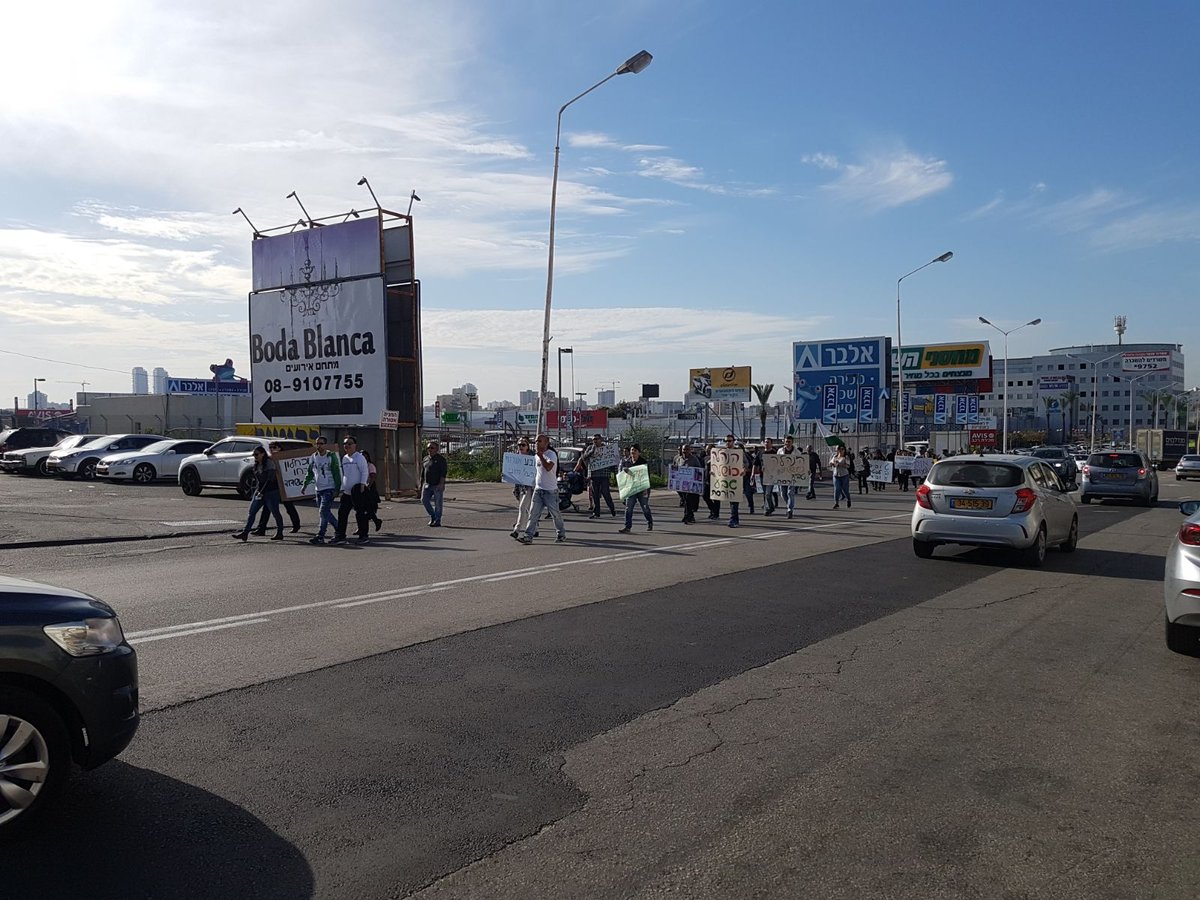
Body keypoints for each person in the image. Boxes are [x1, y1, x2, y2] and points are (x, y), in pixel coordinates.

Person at [518, 434, 566, 544]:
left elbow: (549, 468)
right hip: (538, 490)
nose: (536, 444)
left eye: (539, 441)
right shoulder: (536, 456)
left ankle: (561, 533)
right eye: (535, 441)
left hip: (550, 491)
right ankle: (528, 536)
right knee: (533, 514)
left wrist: (541, 456)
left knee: (555, 514)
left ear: (546, 443)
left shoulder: (551, 454)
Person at [232, 446, 284, 541]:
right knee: (251, 512)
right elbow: (258, 480)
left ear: (263, 454)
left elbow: (270, 479)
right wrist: (258, 491)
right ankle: (245, 532)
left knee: (275, 512)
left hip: (271, 492)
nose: (255, 456)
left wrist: (262, 491)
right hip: (259, 491)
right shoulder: (256, 465)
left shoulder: (269, 463)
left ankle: (280, 532)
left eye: (257, 454)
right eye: (254, 455)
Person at [253, 441, 301, 535]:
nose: (271, 449)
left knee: (289, 507)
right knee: (267, 508)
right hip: (274, 488)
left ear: (279, 448)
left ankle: (296, 525)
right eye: (270, 447)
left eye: (274, 447)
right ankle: (261, 528)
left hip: (285, 487)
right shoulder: (269, 459)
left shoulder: (285, 458)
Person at [301, 435, 341, 545]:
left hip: (329, 487)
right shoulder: (313, 457)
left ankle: (335, 530)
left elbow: (336, 473)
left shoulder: (330, 456)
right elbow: (310, 472)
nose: (319, 446)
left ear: (326, 444)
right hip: (318, 488)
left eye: (321, 443)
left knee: (323, 511)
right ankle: (322, 535)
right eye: (317, 443)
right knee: (323, 513)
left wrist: (337, 488)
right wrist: (305, 485)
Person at [333, 435, 370, 545]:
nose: (347, 446)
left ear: (355, 445)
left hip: (357, 491)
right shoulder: (344, 458)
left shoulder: (359, 457)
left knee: (360, 514)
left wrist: (363, 485)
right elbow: (345, 474)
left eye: (349, 443)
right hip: (347, 492)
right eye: (345, 444)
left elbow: (364, 471)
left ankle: (363, 535)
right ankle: (340, 536)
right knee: (342, 513)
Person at [576, 434, 617, 519]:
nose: (595, 441)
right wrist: (592, 451)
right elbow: (583, 457)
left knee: (606, 493)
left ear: (601, 440)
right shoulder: (590, 448)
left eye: (597, 439)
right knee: (595, 495)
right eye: (594, 439)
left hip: (604, 474)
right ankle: (596, 512)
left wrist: (614, 472)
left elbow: (612, 460)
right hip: (594, 475)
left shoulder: (606, 449)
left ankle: (612, 509)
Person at [617, 444, 653, 534]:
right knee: (628, 507)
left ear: (639, 452)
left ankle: (650, 521)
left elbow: (646, 476)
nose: (633, 452)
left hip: (642, 488)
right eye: (632, 450)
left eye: (635, 451)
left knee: (644, 507)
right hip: (631, 488)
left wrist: (645, 489)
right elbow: (623, 475)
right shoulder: (627, 461)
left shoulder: (643, 462)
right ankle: (627, 527)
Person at [510, 438, 538, 539]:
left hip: (530, 486)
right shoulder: (517, 457)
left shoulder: (533, 457)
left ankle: (517, 530)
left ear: (527, 446)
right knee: (528, 508)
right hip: (520, 487)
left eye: (523, 445)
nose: (521, 447)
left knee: (522, 507)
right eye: (519, 445)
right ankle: (535, 529)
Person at [420, 440, 447, 527]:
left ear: (437, 449)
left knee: (438, 503)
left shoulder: (441, 460)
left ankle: (437, 520)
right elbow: (423, 472)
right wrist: (421, 484)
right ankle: (433, 516)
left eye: (432, 448)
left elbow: (443, 473)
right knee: (424, 500)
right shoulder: (425, 459)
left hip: (437, 485)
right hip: (427, 484)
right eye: (428, 448)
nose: (429, 449)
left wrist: (441, 484)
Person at [718, 434, 742, 527]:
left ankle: (733, 520)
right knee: (729, 499)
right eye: (726, 441)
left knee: (734, 501)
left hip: (735, 480)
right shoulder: (721, 452)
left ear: (733, 441)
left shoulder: (738, 452)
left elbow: (746, 463)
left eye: (729, 441)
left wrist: (743, 470)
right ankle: (734, 519)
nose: (727, 443)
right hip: (724, 480)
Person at [678, 443, 703, 524]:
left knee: (688, 500)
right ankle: (690, 516)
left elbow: (699, 470)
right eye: (684, 450)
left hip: (691, 484)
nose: (685, 451)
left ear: (690, 450)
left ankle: (687, 516)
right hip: (682, 484)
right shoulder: (679, 459)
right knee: (685, 500)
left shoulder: (694, 459)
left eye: (687, 449)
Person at [777, 435, 799, 519]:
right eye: (786, 441)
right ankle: (788, 505)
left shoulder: (796, 452)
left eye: (789, 442)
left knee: (790, 492)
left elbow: (801, 463)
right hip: (782, 475)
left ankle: (790, 510)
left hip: (792, 475)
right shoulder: (780, 451)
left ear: (792, 442)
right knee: (783, 494)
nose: (787, 443)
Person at [360, 450, 383, 531]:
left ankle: (374, 522)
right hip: (361, 487)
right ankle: (375, 521)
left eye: (365, 456)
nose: (363, 457)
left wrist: (368, 486)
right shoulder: (359, 465)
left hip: (369, 488)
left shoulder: (370, 465)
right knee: (362, 509)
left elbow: (373, 477)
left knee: (367, 508)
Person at [830, 444, 853, 509]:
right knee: (837, 489)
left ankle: (848, 499)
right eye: (840, 449)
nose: (841, 450)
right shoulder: (835, 456)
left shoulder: (846, 457)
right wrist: (834, 464)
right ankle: (836, 503)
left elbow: (848, 466)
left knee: (845, 490)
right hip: (836, 475)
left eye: (842, 449)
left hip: (844, 475)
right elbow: (831, 463)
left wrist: (840, 464)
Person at [702, 443, 720, 519]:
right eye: (706, 449)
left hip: (716, 480)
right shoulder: (705, 458)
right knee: (705, 496)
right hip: (707, 480)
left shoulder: (718, 458)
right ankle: (712, 509)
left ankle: (716, 513)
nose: (707, 451)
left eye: (709, 449)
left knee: (716, 498)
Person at [761, 438, 778, 515]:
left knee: (768, 493)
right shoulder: (761, 453)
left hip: (771, 476)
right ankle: (769, 508)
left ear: (771, 444)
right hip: (762, 476)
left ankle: (768, 508)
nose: (766, 443)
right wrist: (752, 474)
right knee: (765, 493)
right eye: (765, 442)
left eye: (768, 442)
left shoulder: (774, 453)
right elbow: (755, 463)